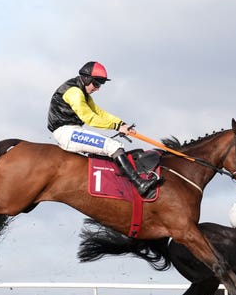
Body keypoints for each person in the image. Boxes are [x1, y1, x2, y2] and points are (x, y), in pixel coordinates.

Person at [47, 61, 159, 196]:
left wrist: (122, 124)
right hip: (66, 132)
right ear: (86, 78)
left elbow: (100, 113)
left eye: (100, 84)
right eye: (96, 83)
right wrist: (117, 127)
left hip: (72, 130)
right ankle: (139, 184)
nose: (98, 88)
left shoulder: (83, 93)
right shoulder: (74, 92)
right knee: (114, 146)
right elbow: (89, 118)